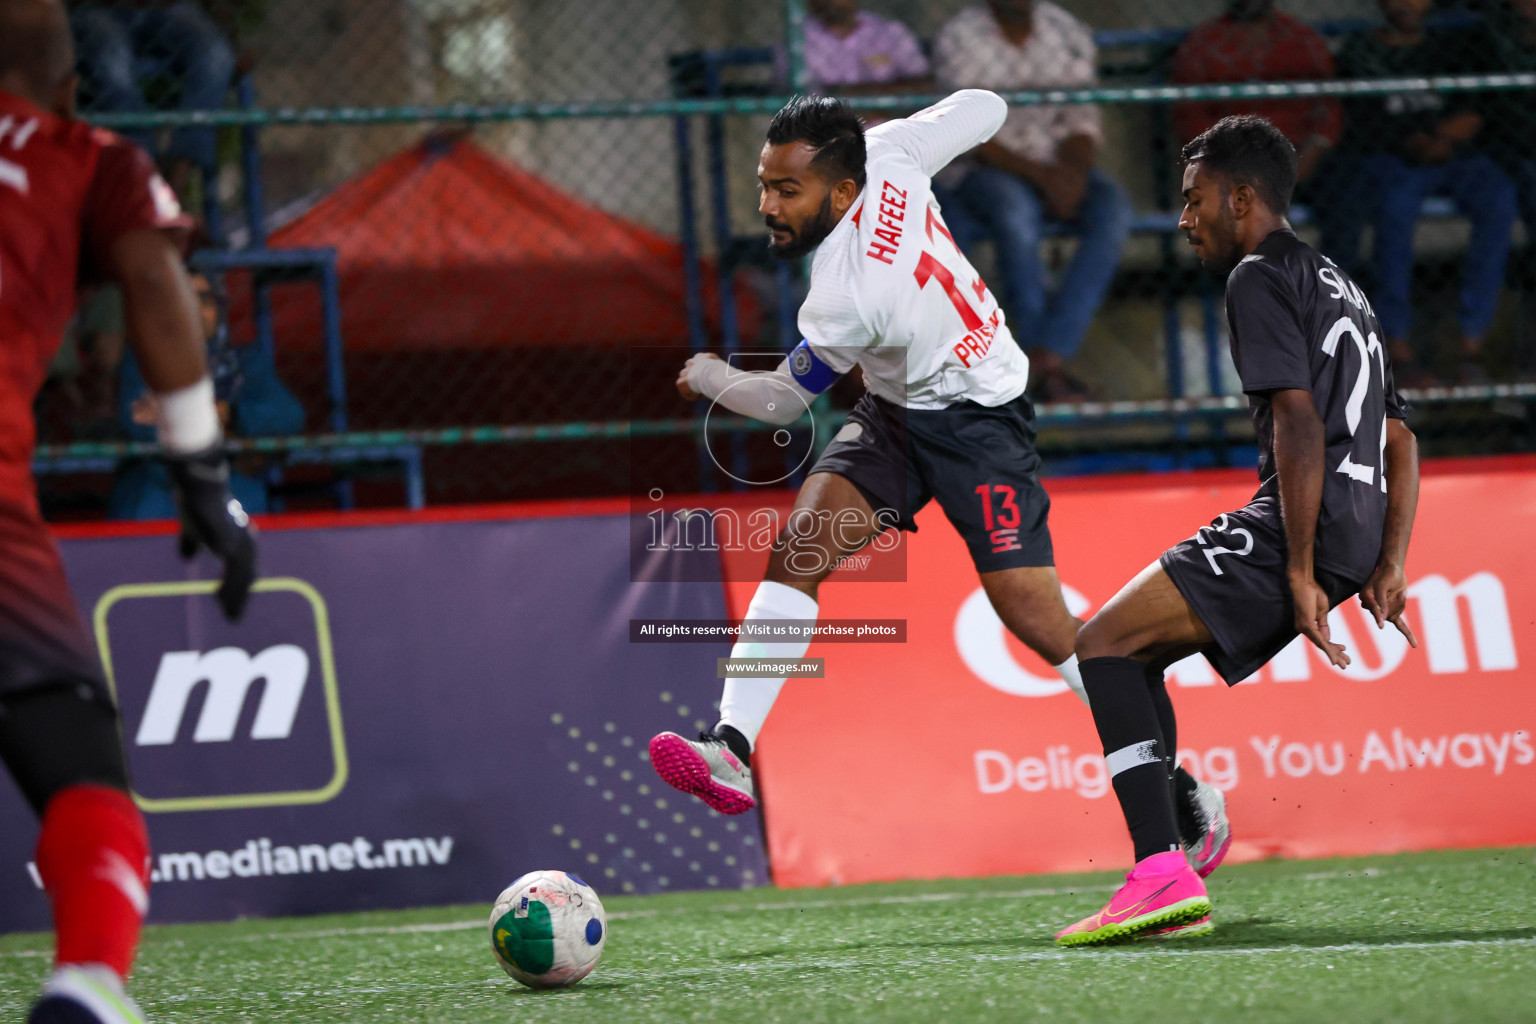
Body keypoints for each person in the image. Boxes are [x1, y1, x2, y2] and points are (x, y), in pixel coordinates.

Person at [646, 91, 1228, 887]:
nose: (767, 207)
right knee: (798, 551)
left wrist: (710, 374)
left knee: (1037, 619)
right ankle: (732, 751)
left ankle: (1179, 789)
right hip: (896, 412)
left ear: (840, 194)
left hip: (979, 419)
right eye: (765, 184)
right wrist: (913, 134)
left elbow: (782, 401)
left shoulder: (847, 292)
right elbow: (986, 104)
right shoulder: (887, 154)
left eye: (787, 192)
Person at [1055, 115, 1420, 946]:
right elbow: (1400, 438)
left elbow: (1296, 421)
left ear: (1242, 197)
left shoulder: (1257, 277)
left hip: (1302, 520)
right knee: (1129, 650)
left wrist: (1298, 567)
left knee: (1101, 646)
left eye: (1194, 201)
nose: (1184, 219)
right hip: (1351, 528)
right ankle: (1173, 850)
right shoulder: (1341, 284)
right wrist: (1387, 557)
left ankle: (1162, 867)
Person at [0, 1, 257, 1020]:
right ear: (70, 89)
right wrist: (200, 472)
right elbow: (154, 271)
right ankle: (89, 980)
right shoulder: (84, 154)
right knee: (81, 770)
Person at [929, 0, 1133, 402]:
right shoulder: (960, 36)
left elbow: (1081, 119)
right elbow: (971, 133)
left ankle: (1045, 355)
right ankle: (1040, 364)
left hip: (1057, 162)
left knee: (1113, 212)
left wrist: (1070, 176)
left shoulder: (1066, 31)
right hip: (980, 169)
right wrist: (1045, 178)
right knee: (1015, 212)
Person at [1333, 0, 1516, 385]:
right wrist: (1415, 140)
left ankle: (1471, 341)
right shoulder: (1360, 50)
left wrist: (1446, 136)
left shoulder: (1454, 44)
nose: (1406, 4)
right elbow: (1365, 119)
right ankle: (1397, 344)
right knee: (1395, 207)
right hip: (1395, 156)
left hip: (1455, 154)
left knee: (1498, 197)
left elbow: (1478, 105)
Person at [110, 270, 305, 519]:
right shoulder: (141, 362)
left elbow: (288, 416)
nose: (195, 309)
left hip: (229, 481)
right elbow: (140, 424)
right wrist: (222, 422)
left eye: (204, 300)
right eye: (182, 298)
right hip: (159, 484)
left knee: (241, 503)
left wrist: (230, 413)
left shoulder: (246, 362)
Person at [67, 0, 236, 192]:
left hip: (165, 8)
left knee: (214, 53)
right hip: (96, 9)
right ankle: (144, 172)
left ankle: (180, 171)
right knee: (114, 61)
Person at [1169, 0, 1341, 184]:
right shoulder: (1203, 42)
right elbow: (1188, 113)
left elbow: (1327, 107)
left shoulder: (1301, 38)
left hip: (1296, 155)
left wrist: (1309, 155)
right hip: (1228, 161)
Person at [799, 0, 931, 96]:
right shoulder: (798, 39)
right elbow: (806, 96)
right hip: (829, 129)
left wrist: (874, 103)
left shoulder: (890, 31)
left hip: (889, 124)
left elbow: (922, 84)